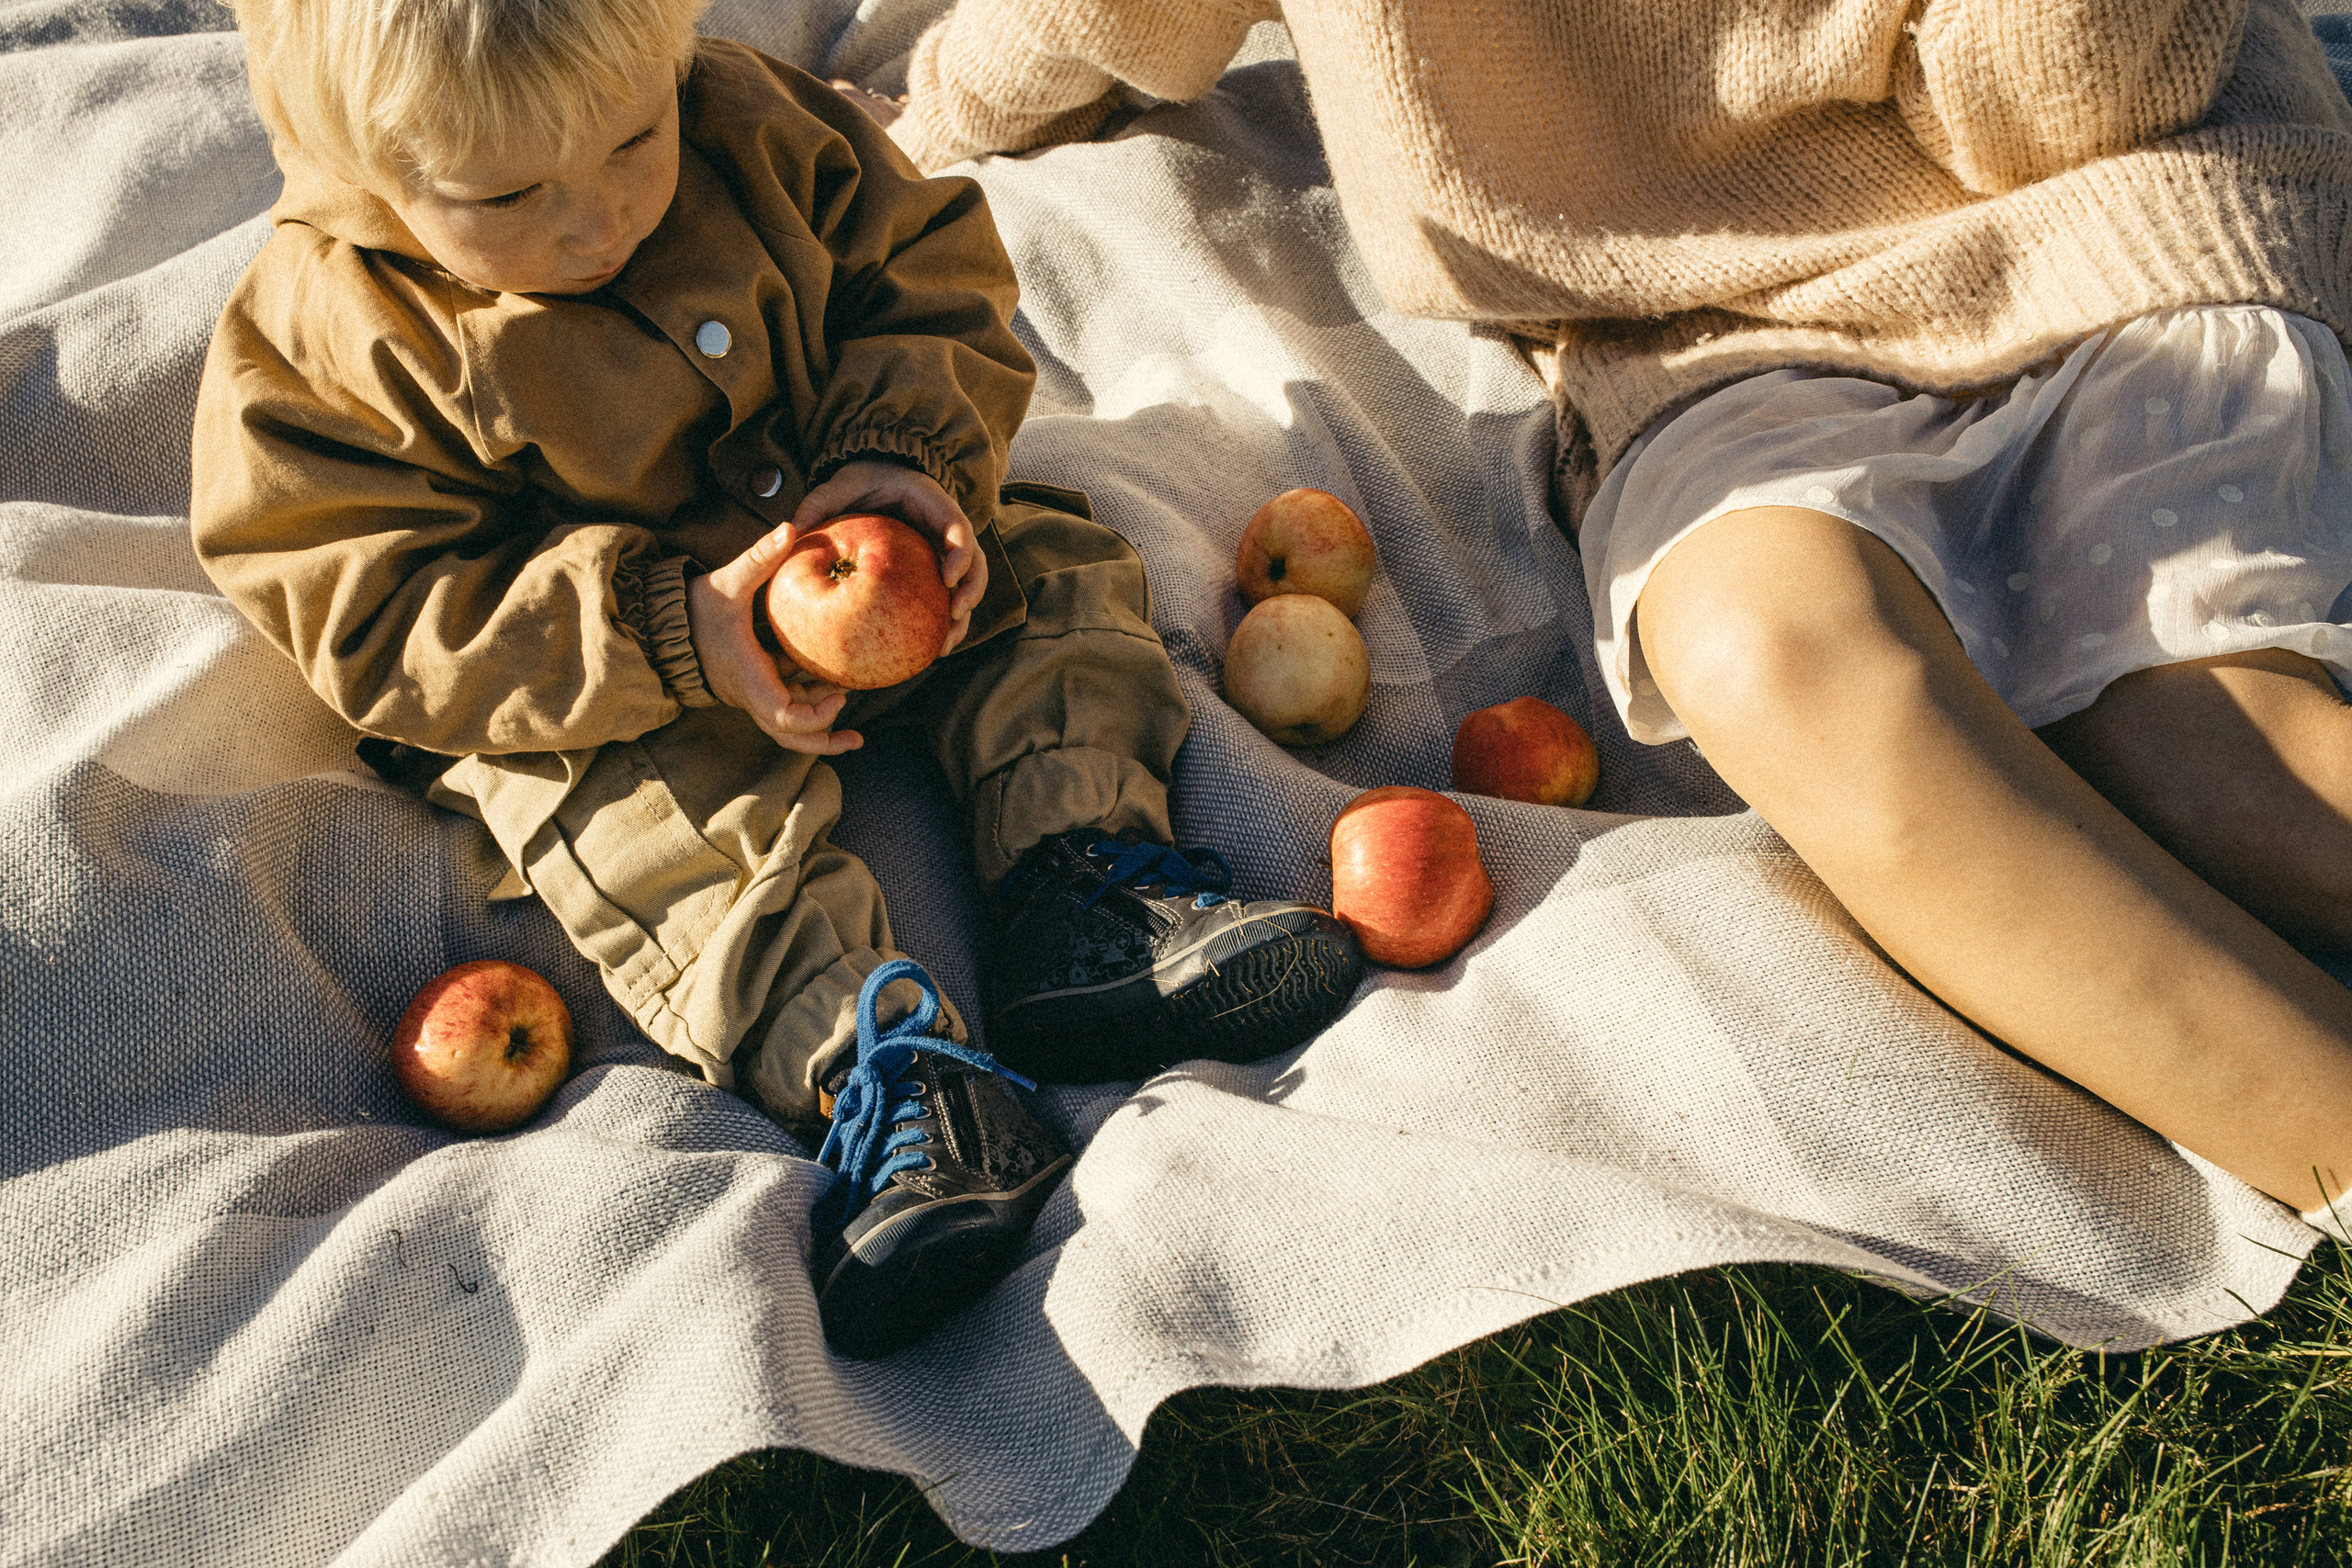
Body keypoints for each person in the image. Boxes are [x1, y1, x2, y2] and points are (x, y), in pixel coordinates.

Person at [881, 0, 2352, 1228]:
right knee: (1766, 658)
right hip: (1698, 339)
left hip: (2091, 217)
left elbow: (2072, 109)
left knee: (2200, 753)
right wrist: (895, 126)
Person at [188, 0, 1364, 1359]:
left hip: (858, 550)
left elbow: (931, 275)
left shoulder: (755, 128)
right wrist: (669, 634)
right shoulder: (323, 349)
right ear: (358, 161)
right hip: (621, 687)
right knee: (633, 829)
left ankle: (1084, 894)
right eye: (509, 196)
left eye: (637, 138)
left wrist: (909, 459)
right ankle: (899, 1079)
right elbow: (373, 612)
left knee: (1055, 574)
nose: (599, 218)